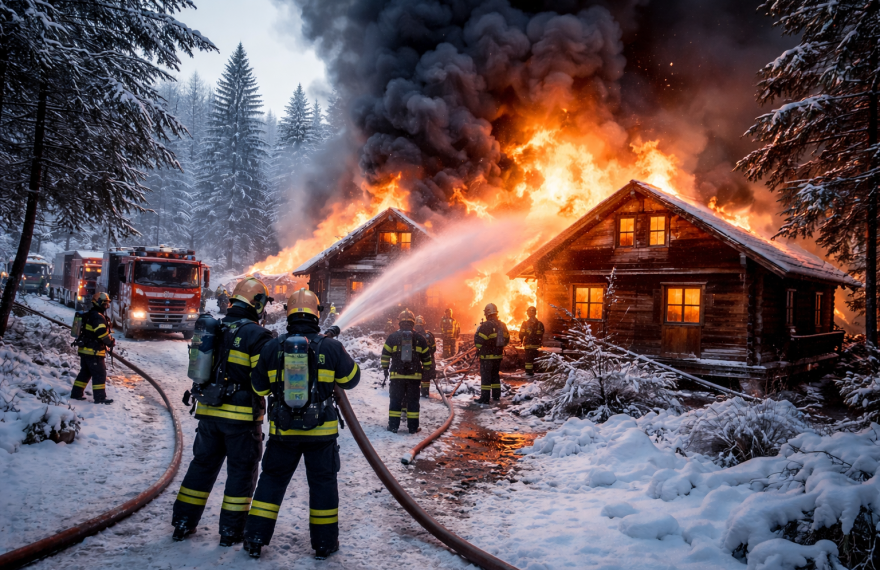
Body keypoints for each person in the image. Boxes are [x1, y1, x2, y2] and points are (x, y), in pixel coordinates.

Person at [242, 288, 360, 560]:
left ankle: (255, 539)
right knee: (323, 485)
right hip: (322, 436)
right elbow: (352, 380)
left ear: (289, 314)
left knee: (271, 481)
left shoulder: (272, 346)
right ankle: (324, 544)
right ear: (316, 314)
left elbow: (258, 388)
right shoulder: (330, 347)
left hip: (283, 433)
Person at [172, 277, 274, 546]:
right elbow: (261, 383)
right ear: (258, 303)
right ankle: (230, 531)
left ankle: (183, 522)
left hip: (208, 411)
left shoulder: (215, 327)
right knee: (241, 472)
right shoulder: (257, 335)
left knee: (201, 467)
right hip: (241, 421)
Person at [381, 309, 432, 433]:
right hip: (414, 378)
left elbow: (385, 356)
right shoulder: (420, 339)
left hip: (396, 376)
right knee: (413, 402)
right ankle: (413, 428)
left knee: (395, 401)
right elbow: (427, 359)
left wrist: (385, 369)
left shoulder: (392, 337)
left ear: (400, 322)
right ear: (413, 322)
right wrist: (426, 370)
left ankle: (393, 426)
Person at [70, 292, 116, 404]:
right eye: (104, 303)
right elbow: (101, 333)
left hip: (86, 350)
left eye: (107, 303)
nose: (106, 306)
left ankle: (76, 394)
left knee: (85, 373)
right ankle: (100, 398)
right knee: (99, 374)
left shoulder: (92, 314)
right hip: (93, 352)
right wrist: (110, 342)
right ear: (97, 303)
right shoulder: (97, 316)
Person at [473, 303, 510, 404]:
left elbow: (478, 343)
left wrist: (477, 332)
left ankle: (485, 398)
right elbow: (506, 341)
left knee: (486, 377)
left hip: (487, 357)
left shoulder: (486, 325)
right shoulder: (502, 325)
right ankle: (496, 395)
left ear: (488, 313)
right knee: (495, 375)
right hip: (498, 356)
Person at [519, 306, 545, 377]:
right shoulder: (540, 324)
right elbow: (542, 334)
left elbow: (521, 333)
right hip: (536, 346)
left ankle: (529, 372)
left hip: (528, 345)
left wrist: (521, 340)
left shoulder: (525, 323)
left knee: (528, 361)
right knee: (535, 359)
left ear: (528, 313)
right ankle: (535, 370)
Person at [414, 316, 436, 398]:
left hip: (416, 361)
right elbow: (434, 349)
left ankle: (414, 391)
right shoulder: (429, 336)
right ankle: (425, 393)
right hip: (427, 360)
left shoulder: (413, 336)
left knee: (415, 376)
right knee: (426, 377)